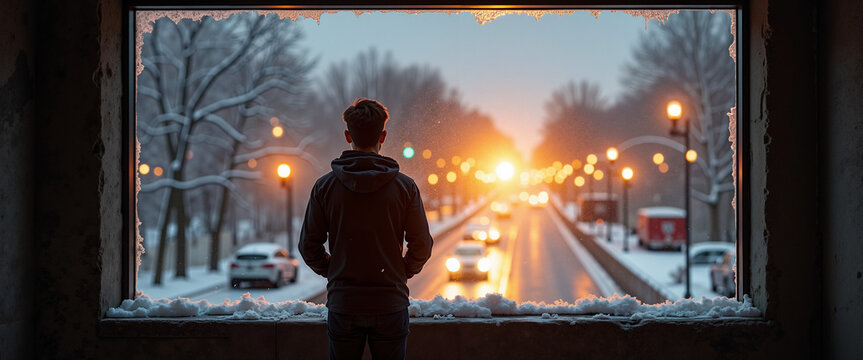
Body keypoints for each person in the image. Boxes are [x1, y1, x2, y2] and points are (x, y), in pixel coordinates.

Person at [299, 98, 434, 360]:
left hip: (344, 305)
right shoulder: (404, 187)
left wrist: (336, 272)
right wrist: (399, 272)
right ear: (383, 136)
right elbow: (422, 245)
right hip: (390, 303)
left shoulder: (325, 187)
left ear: (348, 136)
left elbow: (308, 246)